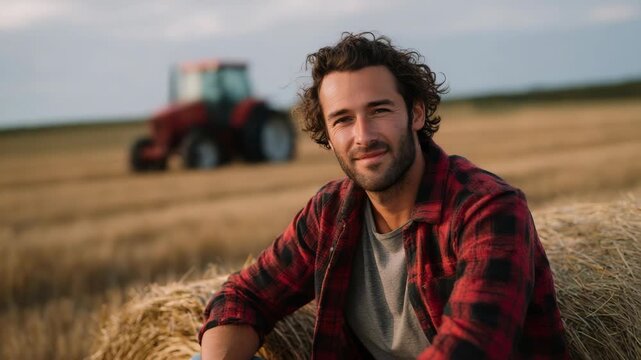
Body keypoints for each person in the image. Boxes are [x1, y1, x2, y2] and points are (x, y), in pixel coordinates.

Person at [199, 32, 568, 359]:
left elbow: (474, 346)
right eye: (343, 119)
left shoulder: (487, 209)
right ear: (326, 135)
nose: (363, 136)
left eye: (379, 111)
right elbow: (244, 297)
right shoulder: (330, 212)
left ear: (417, 113)